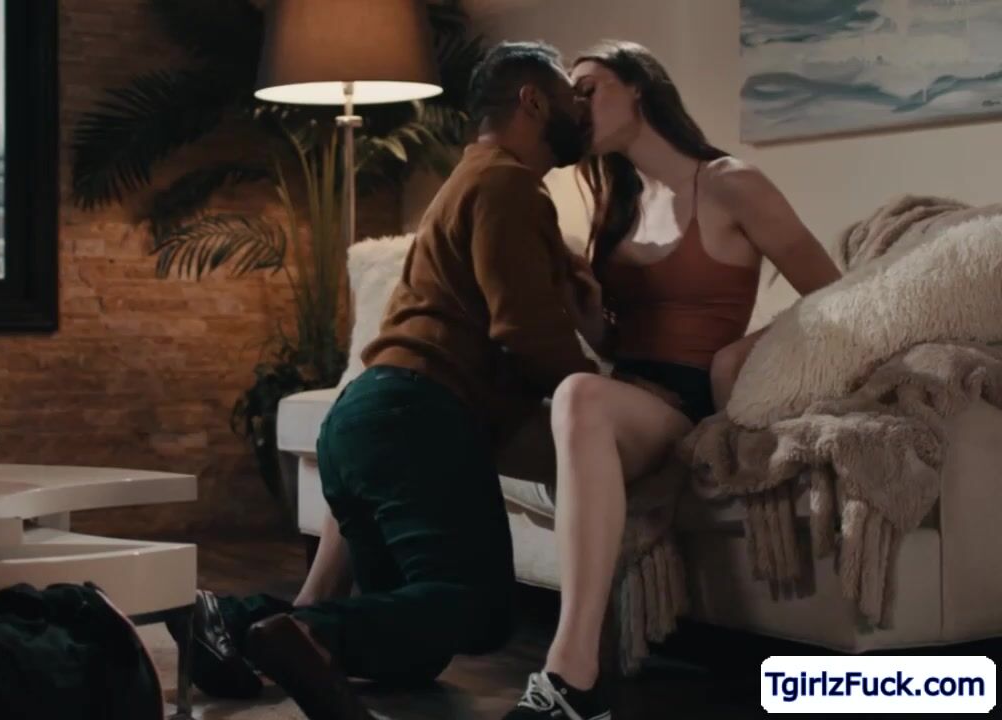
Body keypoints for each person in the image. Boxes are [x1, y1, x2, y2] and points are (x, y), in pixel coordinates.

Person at [170, 41, 600, 720]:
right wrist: (597, 393)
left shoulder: (470, 179)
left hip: (364, 418)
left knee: (410, 644)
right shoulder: (509, 185)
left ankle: (232, 620)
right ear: (533, 101)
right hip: (417, 417)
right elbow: (525, 330)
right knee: (478, 609)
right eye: (574, 98)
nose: (584, 113)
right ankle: (302, 632)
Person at [503, 40, 841, 720]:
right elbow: (614, 343)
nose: (575, 106)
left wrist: (742, 356)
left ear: (638, 87)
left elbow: (835, 295)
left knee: (578, 395)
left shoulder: (729, 182)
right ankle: (343, 618)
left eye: (588, 88)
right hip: (620, 395)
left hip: (681, 405)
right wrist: (583, 309)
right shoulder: (617, 204)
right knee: (431, 405)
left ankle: (571, 674)